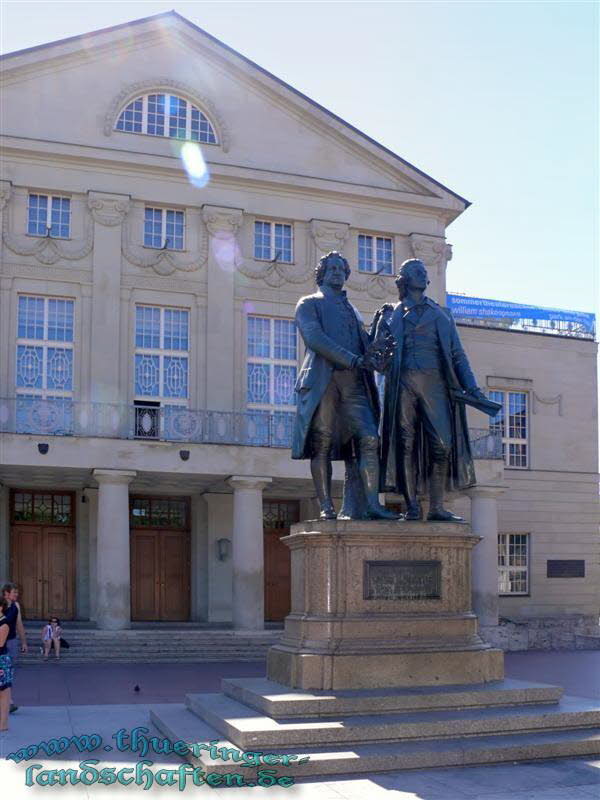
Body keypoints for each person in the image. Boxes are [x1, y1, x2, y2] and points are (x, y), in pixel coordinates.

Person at [374, 258, 492, 521]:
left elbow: (457, 355)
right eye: (415, 271)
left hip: (435, 384)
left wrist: (472, 387)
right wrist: (378, 342)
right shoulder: (390, 314)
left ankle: (437, 506)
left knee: (443, 444)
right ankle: (412, 505)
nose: (421, 274)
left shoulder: (441, 314)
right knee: (405, 445)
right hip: (402, 383)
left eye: (423, 272)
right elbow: (379, 361)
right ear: (403, 280)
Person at [292, 251, 398, 520]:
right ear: (322, 273)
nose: (337, 272)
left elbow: (365, 345)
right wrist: (353, 359)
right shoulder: (308, 303)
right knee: (322, 443)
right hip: (323, 381)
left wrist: (378, 328)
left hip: (354, 384)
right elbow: (315, 338)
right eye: (332, 268)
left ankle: (372, 504)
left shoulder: (351, 309)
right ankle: (326, 506)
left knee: (369, 438)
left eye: (342, 268)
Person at [1, 583, 28, 714]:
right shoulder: (1, 606)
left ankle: (8, 701)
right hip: (1, 641)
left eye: (17, 592)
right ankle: (8, 702)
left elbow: (19, 625)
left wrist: (23, 642)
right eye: (14, 592)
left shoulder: (16, 606)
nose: (16, 595)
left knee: (8, 672)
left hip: (11, 641)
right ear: (6, 593)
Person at [0, 596, 14, 731]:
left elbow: (0, 644)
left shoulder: (4, 624)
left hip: (1, 661)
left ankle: (3, 724)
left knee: (3, 692)